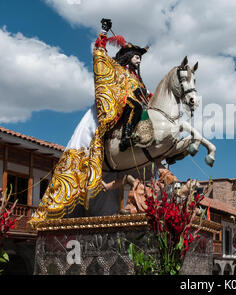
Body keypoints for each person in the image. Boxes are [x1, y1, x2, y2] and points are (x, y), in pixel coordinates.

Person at [28, 19, 151, 227]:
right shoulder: (117, 71)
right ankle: (123, 138)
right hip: (113, 109)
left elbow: (146, 96)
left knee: (145, 111)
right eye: (137, 57)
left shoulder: (137, 80)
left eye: (140, 58)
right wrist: (103, 34)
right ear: (129, 58)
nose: (139, 61)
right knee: (135, 107)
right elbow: (99, 55)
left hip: (132, 110)